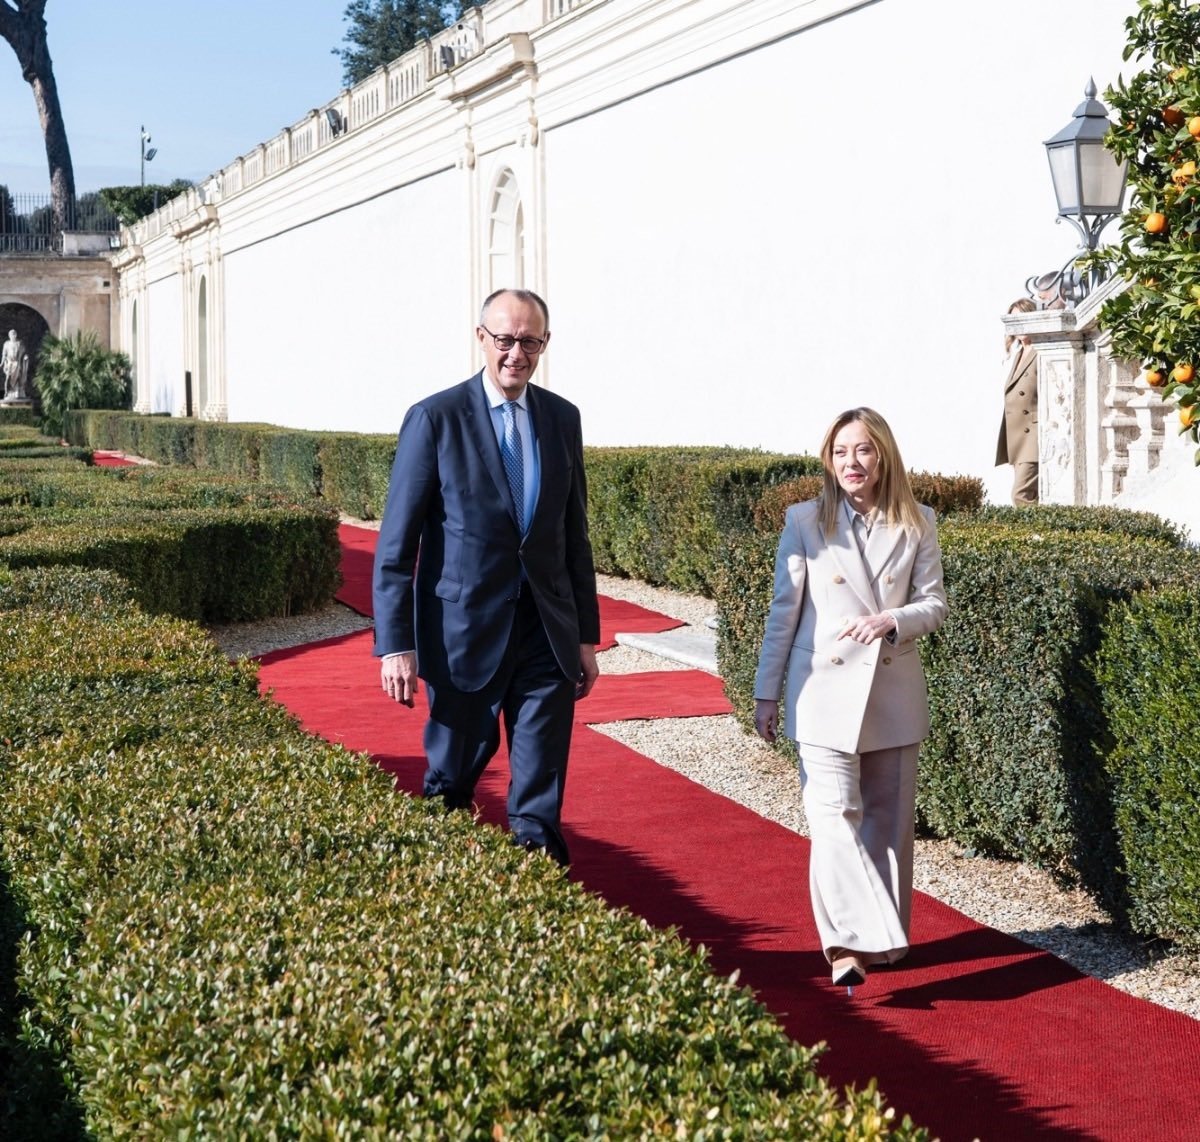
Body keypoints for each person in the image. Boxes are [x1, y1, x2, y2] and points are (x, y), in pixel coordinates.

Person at [372, 288, 601, 867]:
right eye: (505, 339)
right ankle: (443, 897)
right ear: (481, 339)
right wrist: (395, 644)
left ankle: (542, 900)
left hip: (545, 635)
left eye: (530, 341)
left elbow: (572, 537)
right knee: (450, 783)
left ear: (545, 344)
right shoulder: (434, 419)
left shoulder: (562, 418)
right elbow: (397, 546)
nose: (516, 353)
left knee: (539, 799)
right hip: (462, 635)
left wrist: (585, 637)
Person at [752, 407, 947, 990]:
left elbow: (934, 604)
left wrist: (892, 618)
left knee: (887, 825)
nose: (851, 462)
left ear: (882, 455)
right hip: (823, 693)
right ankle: (846, 944)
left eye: (862, 450)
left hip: (892, 690)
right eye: (840, 452)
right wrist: (766, 692)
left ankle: (883, 946)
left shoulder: (918, 522)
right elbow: (783, 613)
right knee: (835, 818)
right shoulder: (806, 521)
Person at [996, 297, 1039, 505]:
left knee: (1020, 495)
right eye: (1014, 321)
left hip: (1033, 436)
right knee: (1032, 496)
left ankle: (1034, 536)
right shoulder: (1018, 354)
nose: (1020, 326)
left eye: (1024, 318)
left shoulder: (1042, 351)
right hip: (1017, 437)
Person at [2, 329, 28, 399]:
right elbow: (4, 354)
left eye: (14, 334)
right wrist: (2, 363)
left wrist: (25, 357)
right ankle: (8, 391)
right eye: (11, 334)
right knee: (8, 378)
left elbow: (23, 353)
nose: (13, 336)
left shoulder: (19, 343)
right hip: (9, 363)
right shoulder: (6, 344)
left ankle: (17, 390)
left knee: (18, 375)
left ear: (16, 335)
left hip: (17, 363)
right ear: (9, 336)